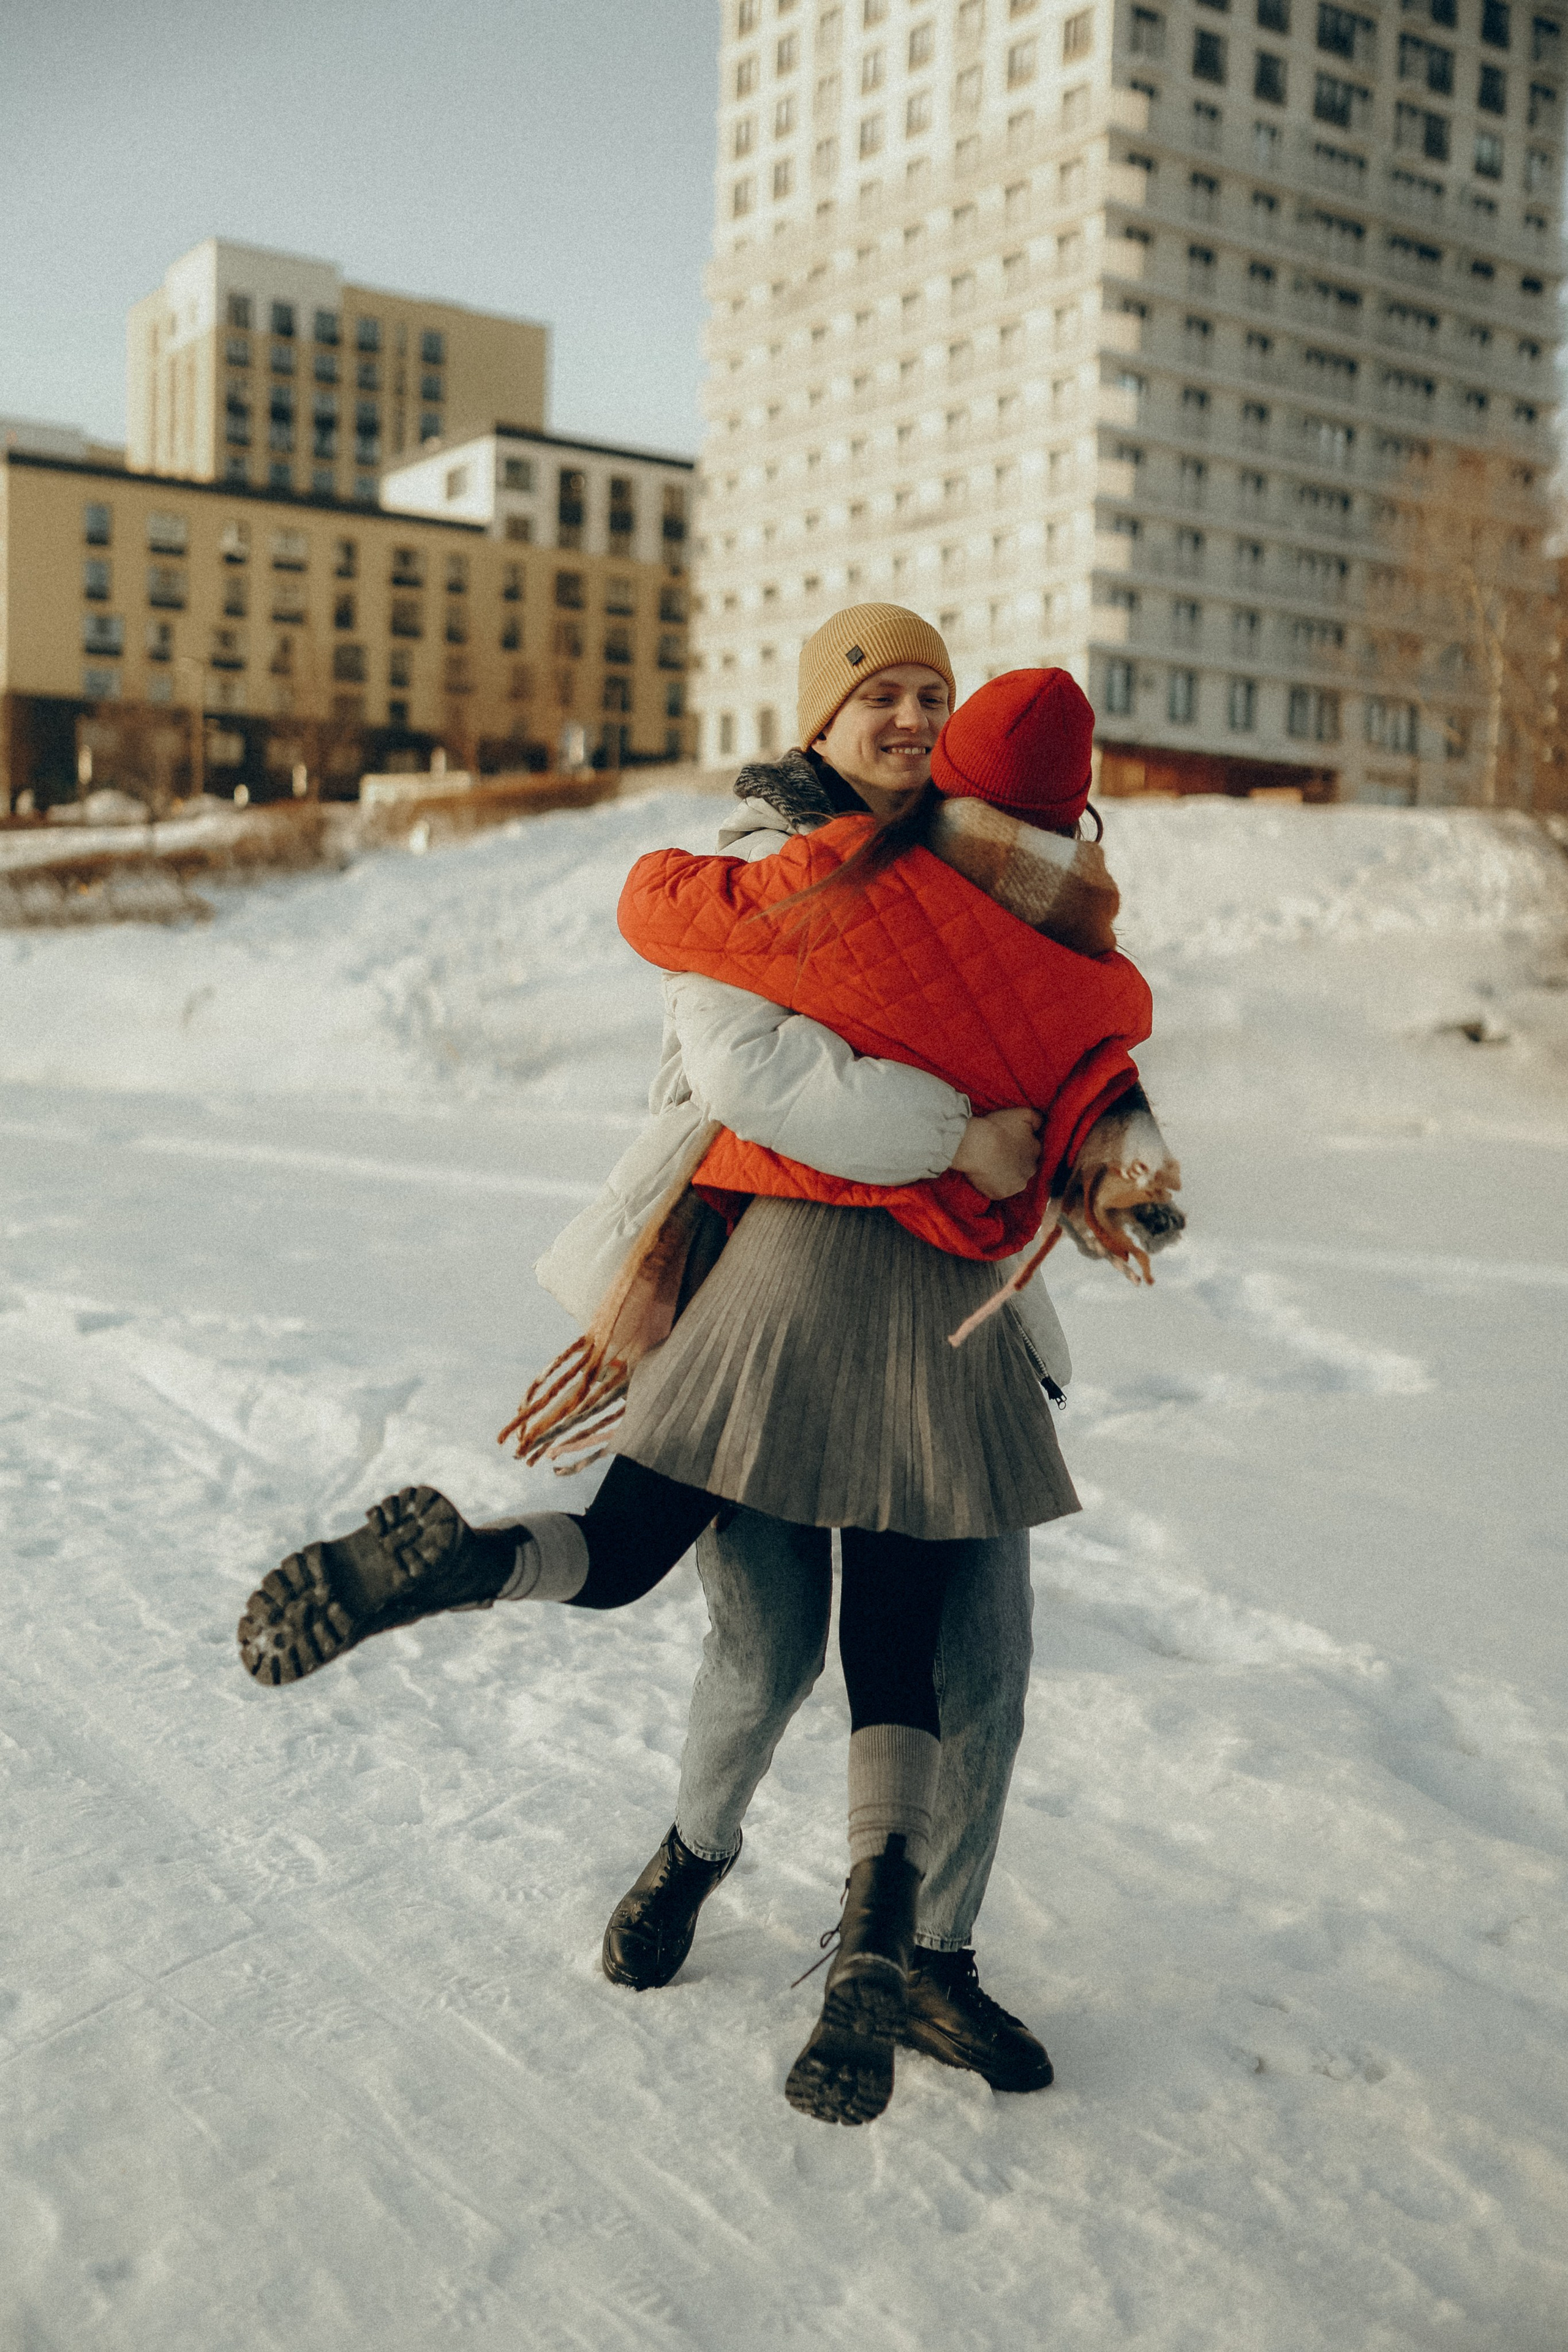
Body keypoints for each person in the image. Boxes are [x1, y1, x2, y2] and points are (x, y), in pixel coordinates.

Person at [237, 611, 1180, 2127]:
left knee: (973, 1660)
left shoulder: (982, 868)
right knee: (762, 1655)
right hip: (754, 1298)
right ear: (817, 715)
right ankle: (694, 1857)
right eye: (876, 691)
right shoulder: (763, 871)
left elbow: (1065, 1057)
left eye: (930, 695)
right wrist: (964, 1135)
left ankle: (918, 1958)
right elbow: (759, 1078)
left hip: (952, 1332)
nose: (907, 716)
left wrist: (1092, 1162)